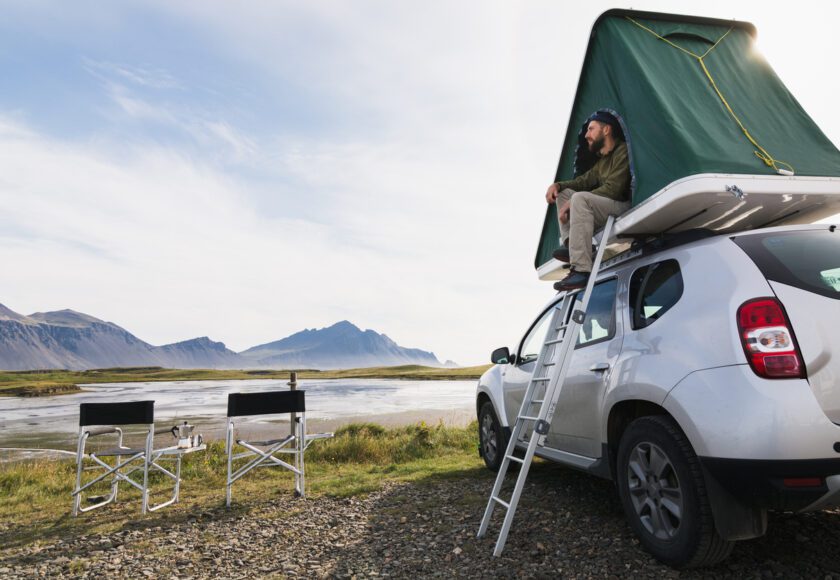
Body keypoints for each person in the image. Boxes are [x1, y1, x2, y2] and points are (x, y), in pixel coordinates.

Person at [545, 111, 631, 291]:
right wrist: (558, 185)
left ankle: (582, 270)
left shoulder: (622, 150)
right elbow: (583, 182)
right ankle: (572, 247)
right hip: (605, 207)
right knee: (566, 194)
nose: (586, 135)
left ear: (606, 130)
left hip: (623, 206)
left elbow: (614, 189)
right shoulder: (602, 161)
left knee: (579, 198)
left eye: (591, 129)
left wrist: (574, 203)